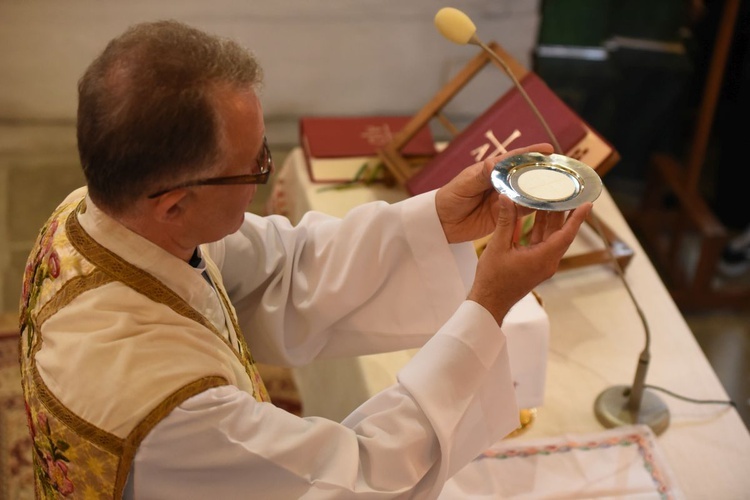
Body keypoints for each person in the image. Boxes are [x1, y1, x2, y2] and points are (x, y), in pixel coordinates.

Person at [18, 20, 591, 499]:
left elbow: (282, 267)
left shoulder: (91, 218)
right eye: (256, 166)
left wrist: (437, 220)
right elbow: (358, 478)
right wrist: (488, 307)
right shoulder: (170, 404)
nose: (264, 179)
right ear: (174, 204)